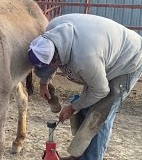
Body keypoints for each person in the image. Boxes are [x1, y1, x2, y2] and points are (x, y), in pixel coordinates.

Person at [28, 13, 142, 160]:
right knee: (85, 106)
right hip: (101, 57)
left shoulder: (85, 59)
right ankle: (81, 155)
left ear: (57, 61)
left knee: (99, 116)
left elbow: (101, 90)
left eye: (49, 65)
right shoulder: (52, 33)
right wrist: (44, 82)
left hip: (128, 61)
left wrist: (73, 107)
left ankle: (92, 157)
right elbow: (46, 56)